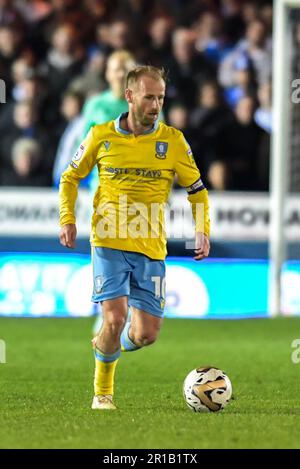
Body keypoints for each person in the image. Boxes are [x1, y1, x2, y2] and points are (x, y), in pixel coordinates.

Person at [59, 65, 210, 410]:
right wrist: (67, 219)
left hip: (151, 246)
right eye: (149, 97)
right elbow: (69, 178)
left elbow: (197, 191)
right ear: (129, 96)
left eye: (160, 97)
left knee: (145, 335)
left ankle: (105, 344)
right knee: (114, 317)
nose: (156, 105)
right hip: (108, 241)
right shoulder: (100, 135)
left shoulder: (172, 141)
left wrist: (202, 229)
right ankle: (103, 392)